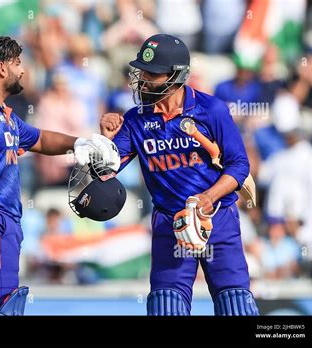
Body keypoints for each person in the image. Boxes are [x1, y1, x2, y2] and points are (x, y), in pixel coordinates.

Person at [0, 32, 119, 315]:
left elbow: (40, 139)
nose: (23, 70)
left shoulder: (3, 114)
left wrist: (80, 143)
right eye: (17, 62)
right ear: (1, 68)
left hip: (5, 221)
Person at [100, 34, 259, 316]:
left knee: (235, 305)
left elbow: (238, 165)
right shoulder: (136, 119)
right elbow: (105, 170)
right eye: (143, 72)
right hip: (169, 223)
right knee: (165, 307)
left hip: (218, 218)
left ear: (176, 76)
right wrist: (104, 139)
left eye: (153, 74)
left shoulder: (211, 110)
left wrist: (209, 197)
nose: (144, 80)